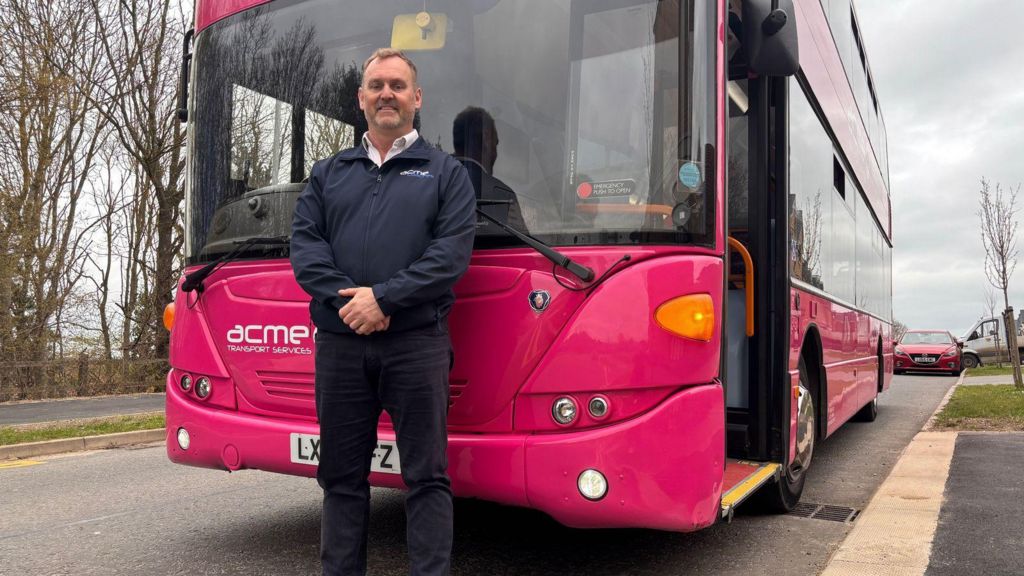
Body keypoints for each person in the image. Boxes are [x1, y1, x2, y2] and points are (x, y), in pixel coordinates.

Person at [290, 48, 476, 576]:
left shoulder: (446, 174)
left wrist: (385, 299)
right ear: (361, 99)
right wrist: (356, 304)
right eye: (376, 85)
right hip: (342, 347)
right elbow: (306, 250)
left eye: (397, 85)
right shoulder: (329, 175)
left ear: (417, 98)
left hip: (416, 346)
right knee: (342, 479)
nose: (386, 94)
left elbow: (449, 255)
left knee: (427, 477)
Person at [451, 106, 527, 232]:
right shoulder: (504, 196)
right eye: (495, 143)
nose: (496, 154)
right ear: (486, 139)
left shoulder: (432, 184)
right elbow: (522, 243)